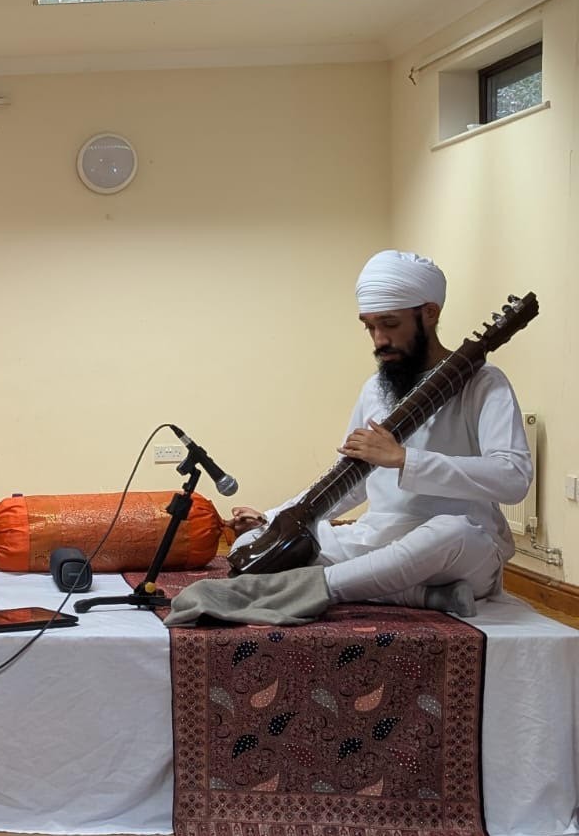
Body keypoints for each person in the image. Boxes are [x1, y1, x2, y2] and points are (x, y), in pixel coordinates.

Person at [168, 250, 532, 626]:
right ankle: (420, 596)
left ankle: (314, 588)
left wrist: (406, 460)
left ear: (430, 312)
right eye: (369, 327)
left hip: (457, 548)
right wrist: (271, 518)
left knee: (449, 531)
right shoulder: (375, 389)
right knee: (251, 547)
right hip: (381, 540)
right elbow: (352, 484)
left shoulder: (485, 384)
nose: (379, 340)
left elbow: (513, 477)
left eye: (389, 324)